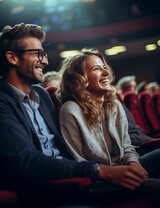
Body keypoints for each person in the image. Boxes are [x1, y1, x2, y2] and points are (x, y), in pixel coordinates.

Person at [0, 24, 159, 208]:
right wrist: (97, 170)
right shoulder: (3, 100)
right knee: (154, 189)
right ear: (12, 57)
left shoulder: (41, 95)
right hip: (51, 186)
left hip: (78, 173)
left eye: (43, 54)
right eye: (37, 54)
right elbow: (26, 161)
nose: (44, 61)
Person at [57, 48, 160, 206]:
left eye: (104, 67)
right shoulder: (70, 110)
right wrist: (112, 172)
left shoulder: (114, 105)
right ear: (80, 78)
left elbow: (127, 146)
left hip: (125, 165)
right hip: (103, 179)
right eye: (96, 69)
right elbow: (78, 160)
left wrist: (134, 164)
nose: (105, 72)